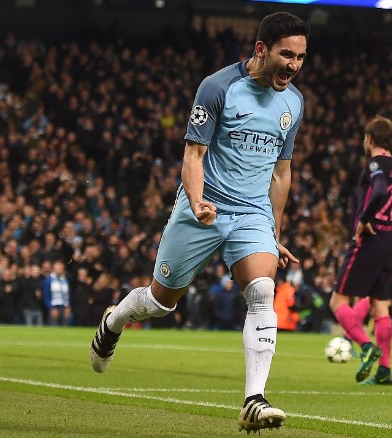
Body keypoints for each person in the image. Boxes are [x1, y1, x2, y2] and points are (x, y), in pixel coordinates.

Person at [89, 12, 309, 433]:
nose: (294, 65)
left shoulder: (293, 103)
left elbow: (282, 173)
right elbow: (194, 155)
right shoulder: (218, 87)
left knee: (262, 290)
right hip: (204, 207)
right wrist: (196, 200)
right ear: (261, 49)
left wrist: (274, 231)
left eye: (300, 57)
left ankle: (254, 399)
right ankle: (114, 320)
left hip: (251, 214)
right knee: (159, 302)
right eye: (287, 54)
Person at [329, 115, 392, 386]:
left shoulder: (374, 163)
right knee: (380, 307)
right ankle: (384, 371)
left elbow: (381, 190)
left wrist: (363, 221)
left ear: (370, 139)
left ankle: (365, 345)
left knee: (337, 302)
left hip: (369, 241)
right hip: (389, 242)